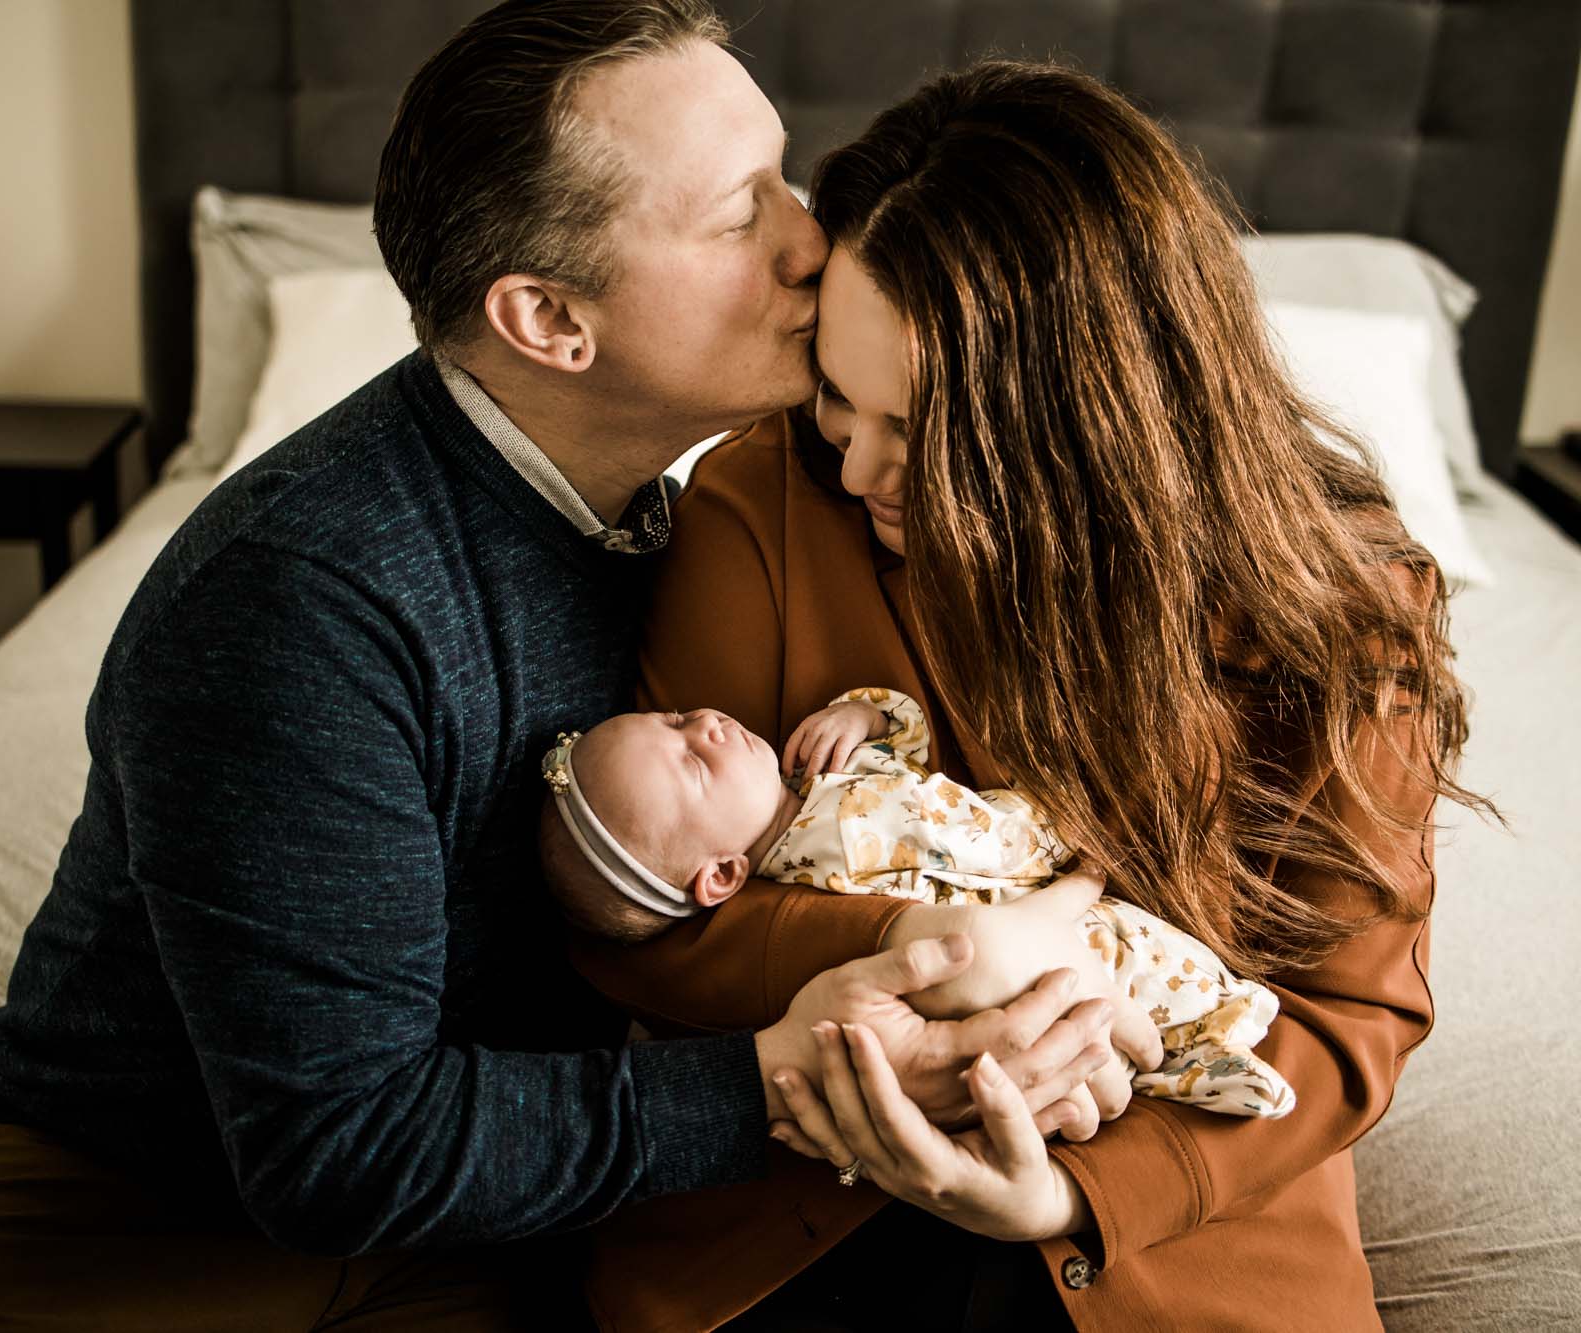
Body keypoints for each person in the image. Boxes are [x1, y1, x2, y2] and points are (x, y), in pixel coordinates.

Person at [0, 10, 1154, 1329]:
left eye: (786, 171)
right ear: (547, 318)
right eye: (736, 217)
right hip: (146, 1221)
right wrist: (783, 1072)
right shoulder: (305, 604)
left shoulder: (760, 496)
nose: (812, 238)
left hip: (516, 1196)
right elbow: (339, 1149)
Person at [573, 59, 1478, 1332]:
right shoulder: (761, 505)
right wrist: (933, 962)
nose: (859, 464)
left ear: (1086, 431)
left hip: (1170, 1238)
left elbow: (1349, 1020)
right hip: (795, 1212)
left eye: (926, 428)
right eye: (839, 392)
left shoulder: (1341, 606)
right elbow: (651, 914)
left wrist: (1061, 1197)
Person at [538, 687, 1295, 1120]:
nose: (703, 727)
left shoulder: (817, 764)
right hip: (1034, 915)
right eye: (694, 765)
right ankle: (1201, 1055)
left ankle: (1209, 1033)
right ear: (722, 876)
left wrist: (863, 715)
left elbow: (910, 740)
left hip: (1035, 831)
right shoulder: (801, 886)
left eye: (675, 721)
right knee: (1136, 968)